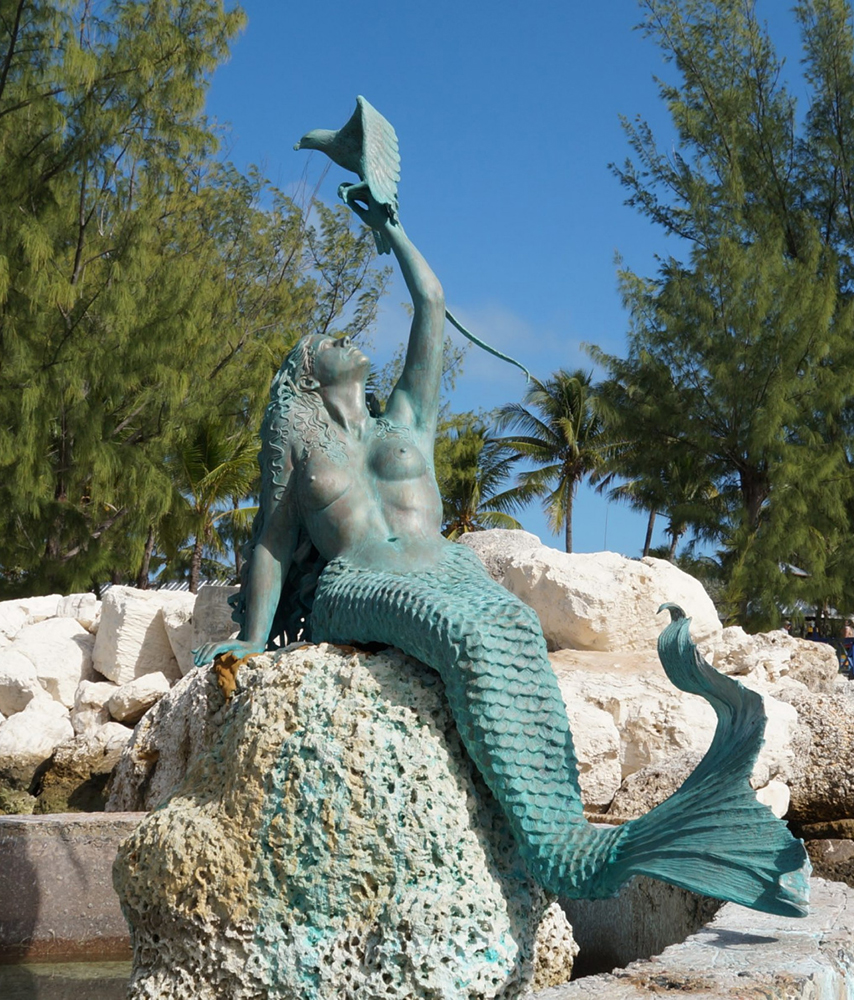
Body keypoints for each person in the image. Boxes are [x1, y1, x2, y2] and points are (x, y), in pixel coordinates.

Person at [195, 190, 807, 916]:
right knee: (470, 634)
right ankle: (563, 849)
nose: (343, 337)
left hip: (446, 564)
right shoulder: (303, 451)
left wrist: (392, 227)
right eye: (325, 341)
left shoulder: (408, 420)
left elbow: (431, 303)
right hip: (358, 582)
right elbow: (272, 540)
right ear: (305, 378)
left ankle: (570, 839)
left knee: (513, 624)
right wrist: (254, 637)